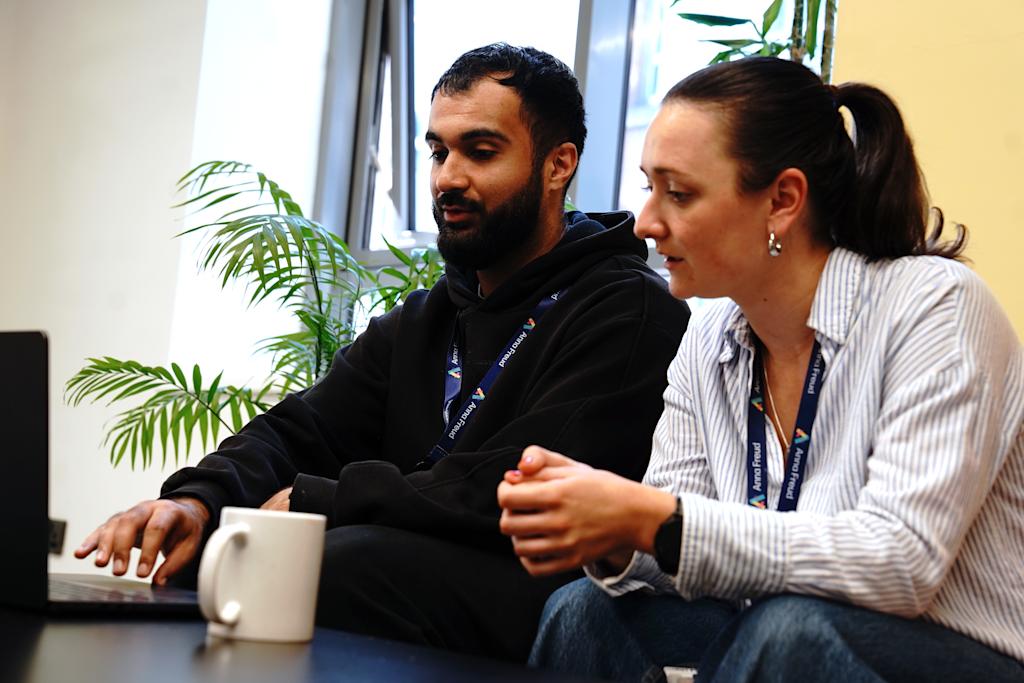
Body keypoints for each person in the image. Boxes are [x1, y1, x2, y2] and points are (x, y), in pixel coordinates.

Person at [73, 43, 688, 661]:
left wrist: (328, 498)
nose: (448, 177)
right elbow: (301, 428)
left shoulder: (629, 310)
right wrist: (197, 500)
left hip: (545, 589)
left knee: (341, 564)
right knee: (213, 556)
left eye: (480, 151)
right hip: (403, 564)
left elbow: (522, 485)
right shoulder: (426, 319)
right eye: (438, 152)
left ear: (559, 165)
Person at [497, 57, 1024, 681]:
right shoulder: (709, 335)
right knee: (582, 611)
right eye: (648, 187)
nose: (645, 223)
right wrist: (615, 534)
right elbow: (684, 539)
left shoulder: (936, 306)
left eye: (680, 193)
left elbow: (899, 564)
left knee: (787, 630)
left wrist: (651, 517)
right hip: (775, 633)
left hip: (955, 651)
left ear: (782, 200)